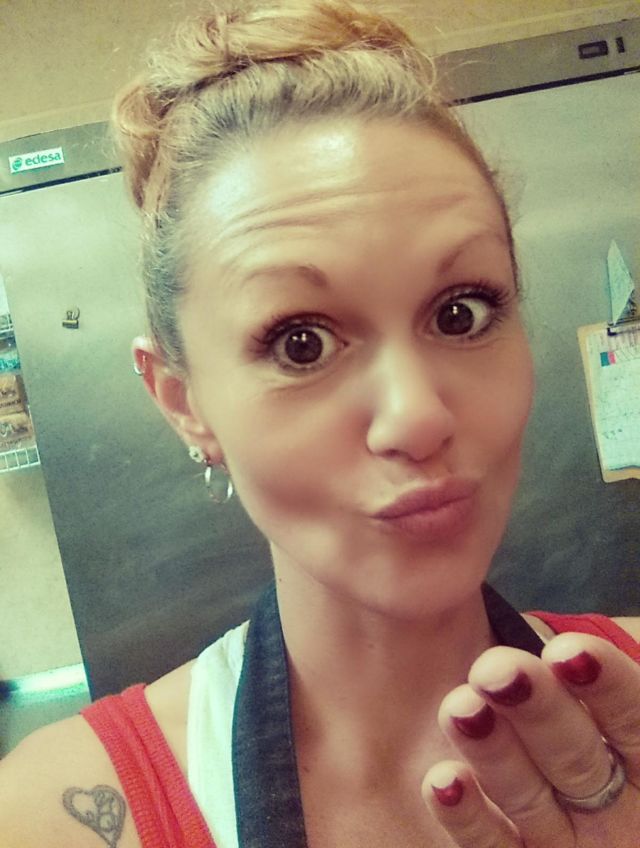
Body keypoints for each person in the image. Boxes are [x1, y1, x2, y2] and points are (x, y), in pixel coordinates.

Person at [2, 1, 639, 845]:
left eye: (460, 312)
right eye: (301, 342)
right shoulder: (52, 814)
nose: (416, 417)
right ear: (184, 402)